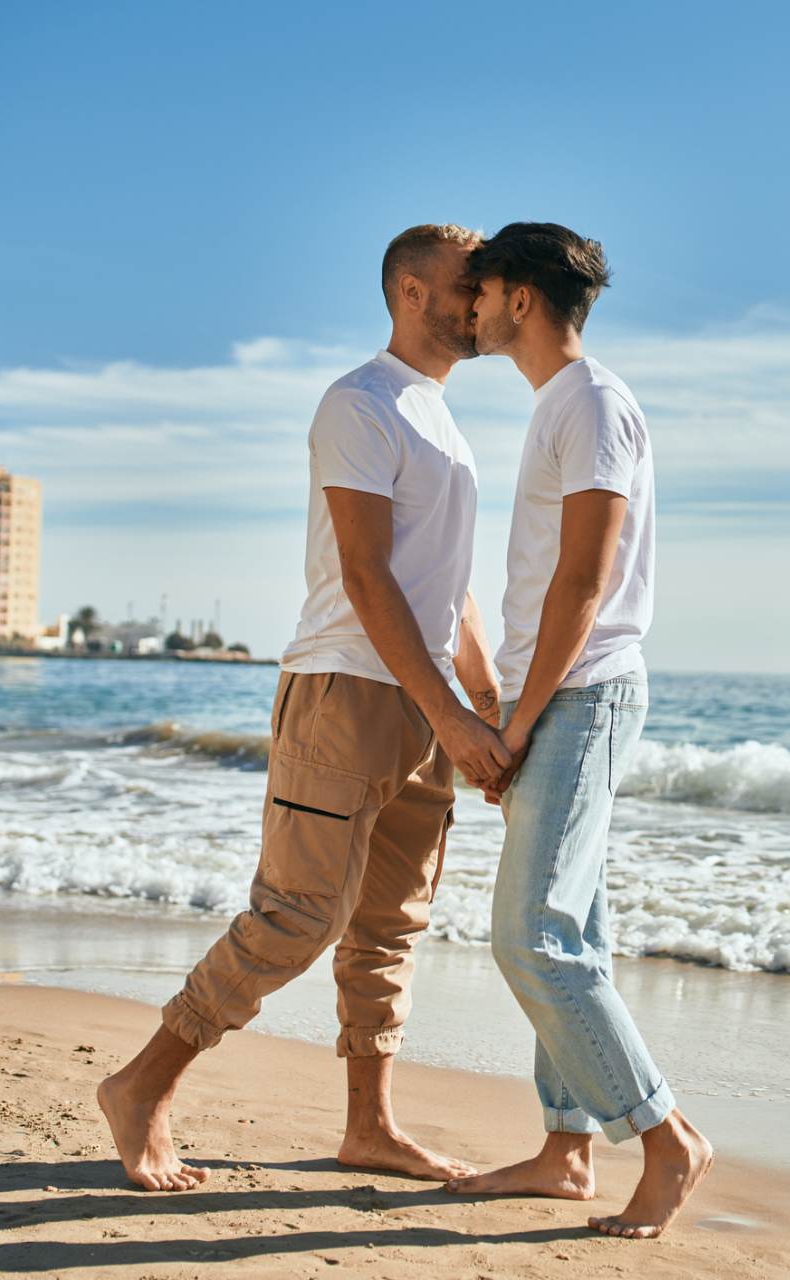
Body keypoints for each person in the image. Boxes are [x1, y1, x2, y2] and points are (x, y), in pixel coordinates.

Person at [95, 223, 510, 1191]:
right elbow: (366, 577)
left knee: (388, 924)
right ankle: (143, 1084)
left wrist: (484, 704)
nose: (483, 299)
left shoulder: (446, 422)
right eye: (467, 282)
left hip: (425, 704)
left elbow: (452, 589)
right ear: (411, 290)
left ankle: (369, 1124)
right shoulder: (358, 402)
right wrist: (449, 714)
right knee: (296, 914)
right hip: (347, 690)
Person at [446, 223, 713, 1239]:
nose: (466, 307)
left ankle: (666, 1134)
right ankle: (566, 1150)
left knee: (532, 938)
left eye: (479, 290)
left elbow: (585, 579)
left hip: (582, 692)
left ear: (520, 298)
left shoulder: (593, 403)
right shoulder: (563, 403)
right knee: (576, 933)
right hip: (566, 691)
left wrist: (517, 716)